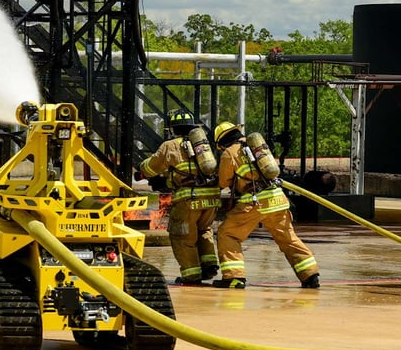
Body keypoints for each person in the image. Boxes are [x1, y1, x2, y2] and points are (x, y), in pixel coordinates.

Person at [210, 121, 320, 289]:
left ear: (221, 142)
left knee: (228, 234)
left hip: (255, 202)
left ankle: (234, 278)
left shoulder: (229, 153)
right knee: (288, 238)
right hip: (277, 199)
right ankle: (310, 274)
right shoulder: (258, 146)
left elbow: (224, 181)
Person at [136, 109, 221, 285]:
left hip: (189, 197)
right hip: (211, 197)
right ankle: (209, 265)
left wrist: (141, 169)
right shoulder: (203, 145)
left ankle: (191, 275)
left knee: (181, 235)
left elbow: (152, 167)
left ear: (172, 129)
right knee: (204, 230)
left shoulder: (170, 145)